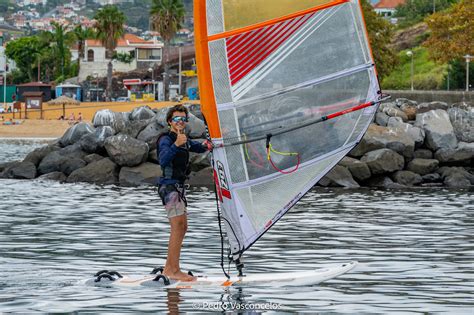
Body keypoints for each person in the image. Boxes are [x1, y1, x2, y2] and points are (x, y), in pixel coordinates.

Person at [157, 105, 212, 282]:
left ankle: (169, 268)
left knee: (183, 227)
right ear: (169, 122)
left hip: (178, 188)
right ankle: (173, 270)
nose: (180, 122)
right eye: (176, 119)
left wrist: (210, 145)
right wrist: (176, 145)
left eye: (183, 119)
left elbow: (197, 146)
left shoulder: (184, 139)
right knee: (177, 227)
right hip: (169, 188)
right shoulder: (165, 139)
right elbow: (163, 160)